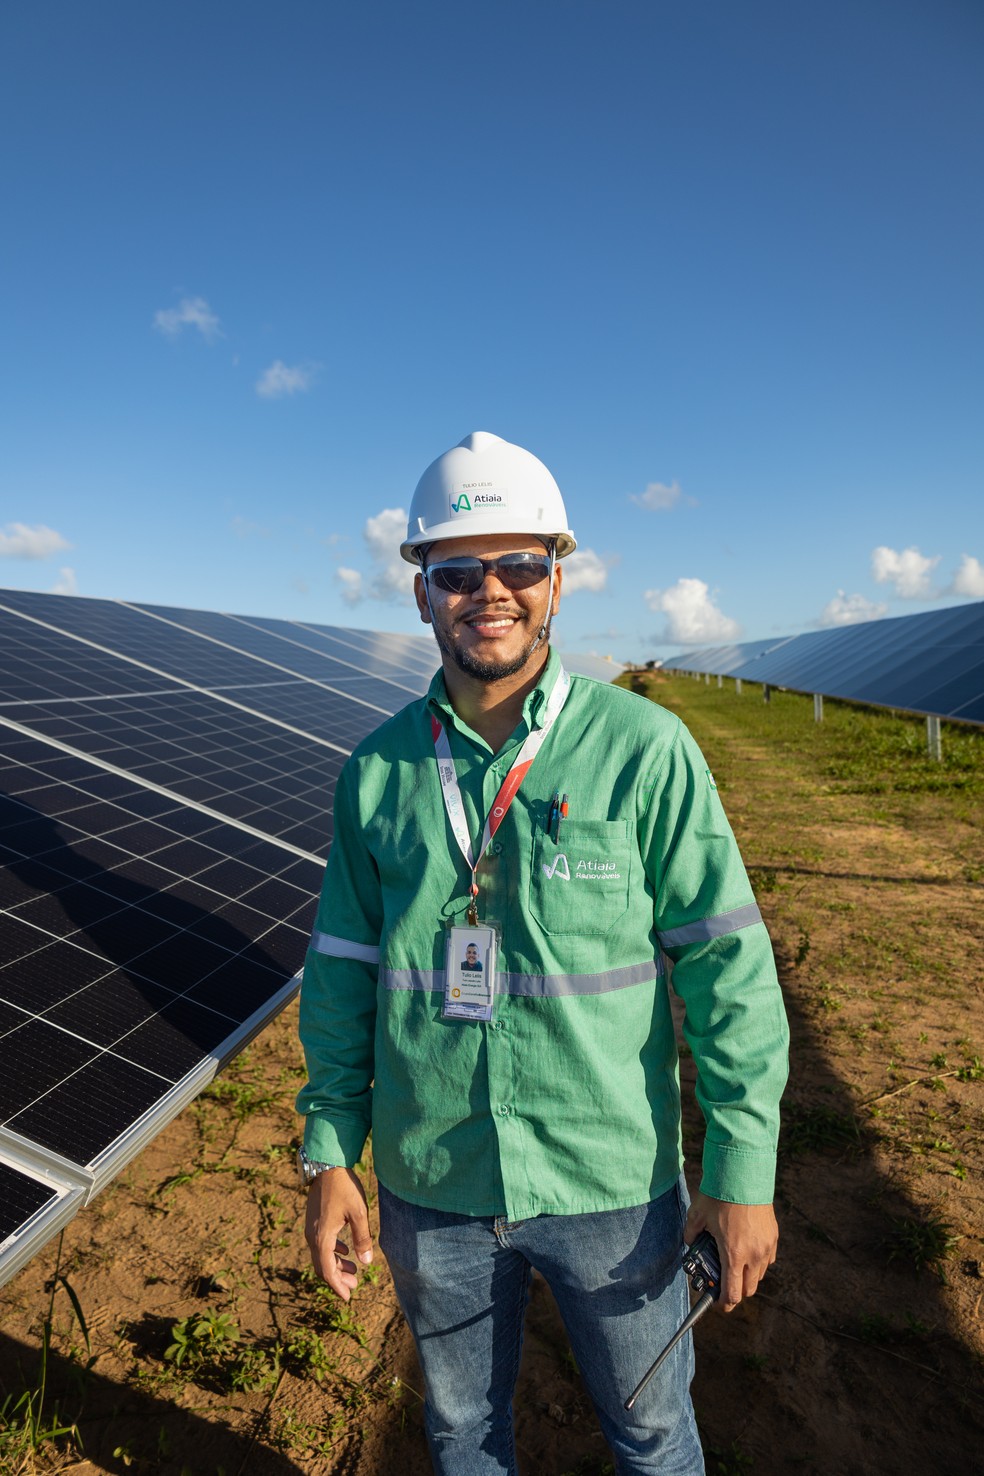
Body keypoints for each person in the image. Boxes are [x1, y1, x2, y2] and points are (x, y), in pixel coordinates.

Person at [296, 431, 789, 1475]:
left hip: (613, 1181)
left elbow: (728, 968)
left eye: (519, 565)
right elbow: (341, 973)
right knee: (463, 1436)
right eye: (457, 571)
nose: (491, 592)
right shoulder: (377, 773)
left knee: (653, 1433)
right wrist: (330, 1152)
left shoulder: (644, 751)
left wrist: (740, 1170)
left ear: (557, 580)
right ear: (420, 592)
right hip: (434, 1180)